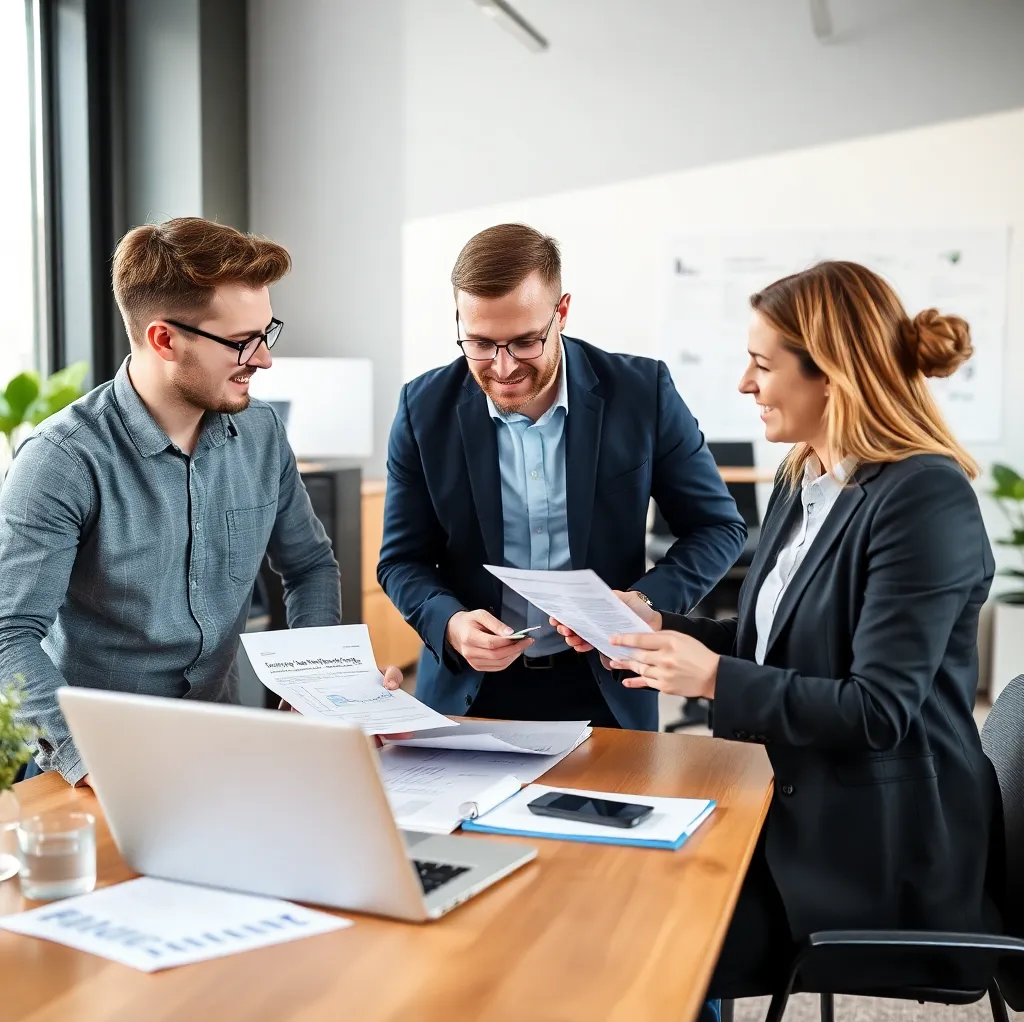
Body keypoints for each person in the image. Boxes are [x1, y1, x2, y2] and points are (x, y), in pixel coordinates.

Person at [554, 260, 1001, 1010]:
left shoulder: (925, 498)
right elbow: (781, 645)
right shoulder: (806, 479)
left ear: (832, 375)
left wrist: (710, 680)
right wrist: (659, 627)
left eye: (762, 365)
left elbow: (876, 710)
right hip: (795, 798)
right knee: (603, 880)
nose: (743, 384)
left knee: (636, 930)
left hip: (873, 849)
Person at [0, 217, 402, 787]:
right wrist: (89, 761)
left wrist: (323, 686)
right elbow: (7, 632)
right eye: (242, 342)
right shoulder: (61, 461)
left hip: (223, 750)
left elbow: (309, 566)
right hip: (94, 772)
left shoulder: (261, 433)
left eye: (267, 333)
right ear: (164, 339)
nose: (264, 360)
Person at [378, 223, 745, 730]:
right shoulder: (423, 408)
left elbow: (717, 527)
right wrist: (452, 625)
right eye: (480, 343)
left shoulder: (642, 393)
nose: (502, 368)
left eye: (525, 342)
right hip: (470, 693)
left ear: (562, 312)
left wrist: (645, 602)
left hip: (606, 685)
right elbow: (402, 561)